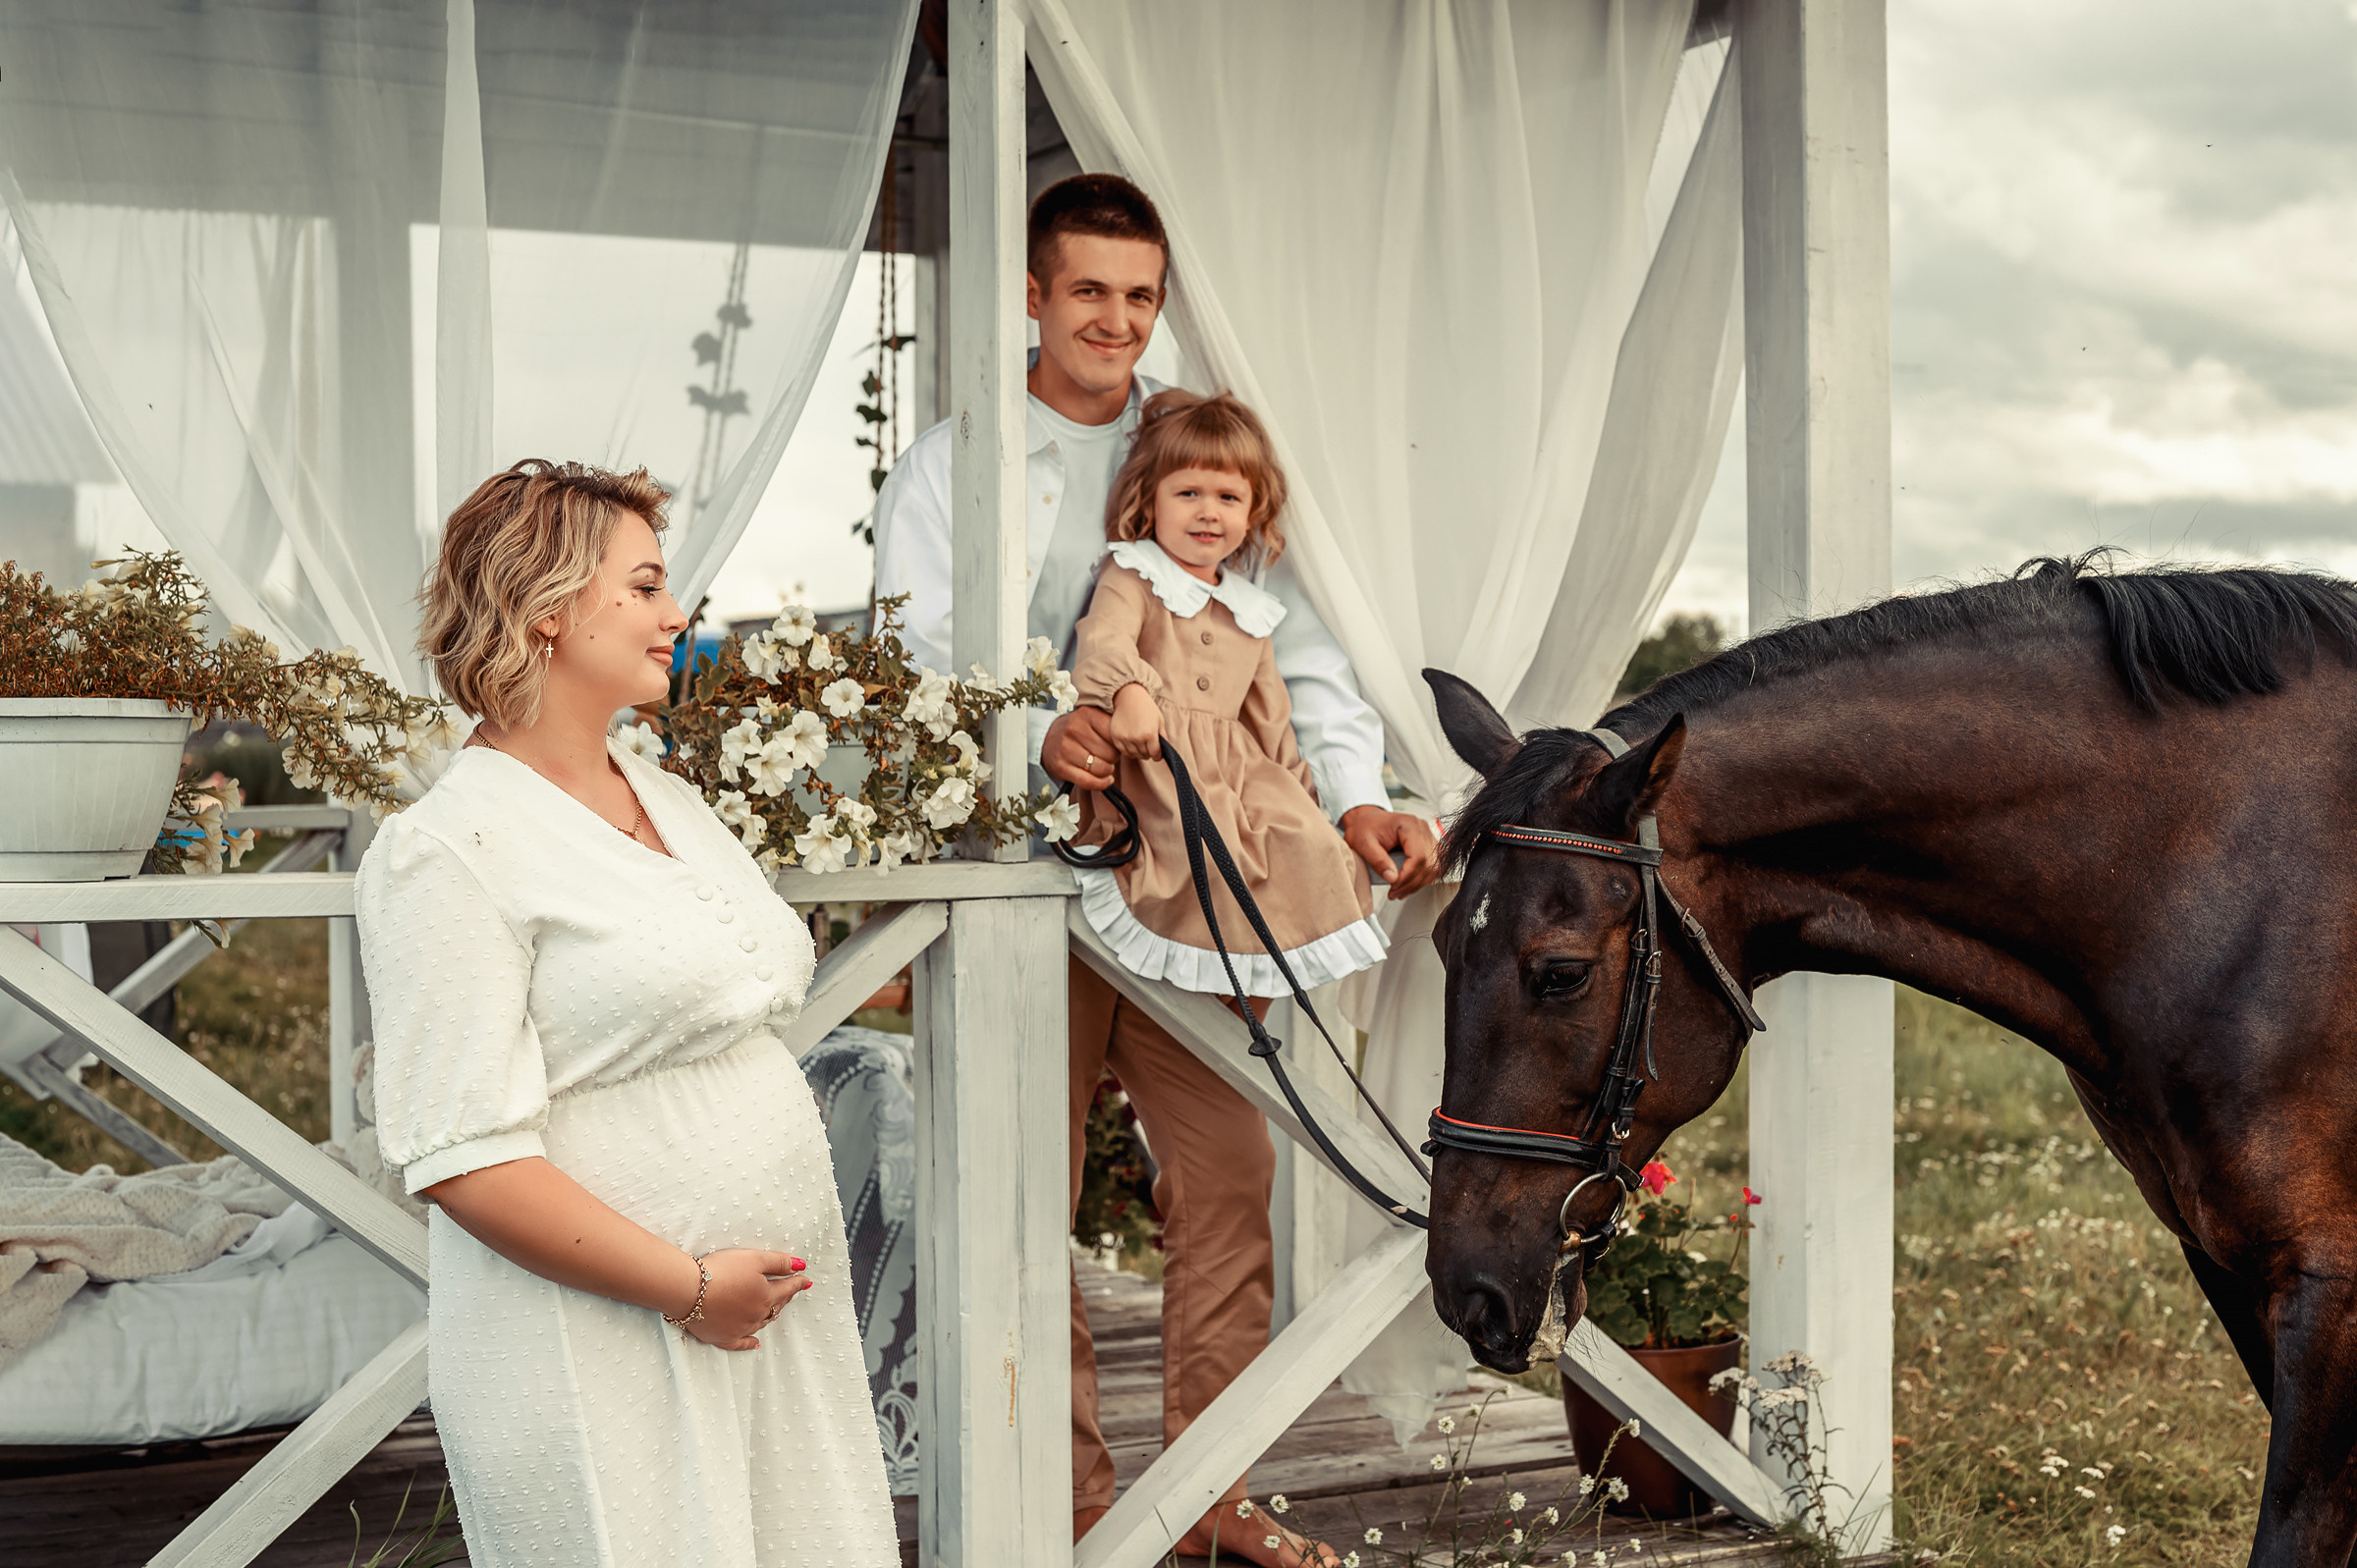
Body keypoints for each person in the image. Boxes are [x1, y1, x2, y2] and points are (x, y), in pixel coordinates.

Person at [873, 173, 1440, 1568]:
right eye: (1089, 292)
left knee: (1231, 1177)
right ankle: (1065, 1502)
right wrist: (1032, 731)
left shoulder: (1203, 446)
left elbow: (1291, 644)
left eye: (1140, 295)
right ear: (1033, 295)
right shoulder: (955, 462)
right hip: (1028, 883)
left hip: (1198, 887)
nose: (1117, 320)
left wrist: (1359, 799)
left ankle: (1208, 1494)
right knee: (1021, 1199)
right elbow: (920, 650)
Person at [356, 460, 898, 1568]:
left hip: (770, 1333)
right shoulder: (446, 850)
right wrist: (692, 1289)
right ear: (548, 607)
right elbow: (462, 1155)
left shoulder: (668, 795)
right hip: (602, 1343)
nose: (676, 616)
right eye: (644, 587)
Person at [1069, 389, 1390, 1000]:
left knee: (1305, 842)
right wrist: (1129, 690)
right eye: (1187, 493)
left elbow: (1271, 720)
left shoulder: (1252, 608)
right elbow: (1103, 637)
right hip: (1159, 764)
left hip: (1237, 770)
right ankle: (1200, 975)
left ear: (1252, 510)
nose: (1207, 512)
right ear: (1151, 498)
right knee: (1199, 852)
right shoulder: (1133, 572)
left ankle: (1247, 987)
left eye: (1227, 497)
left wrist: (1302, 792)